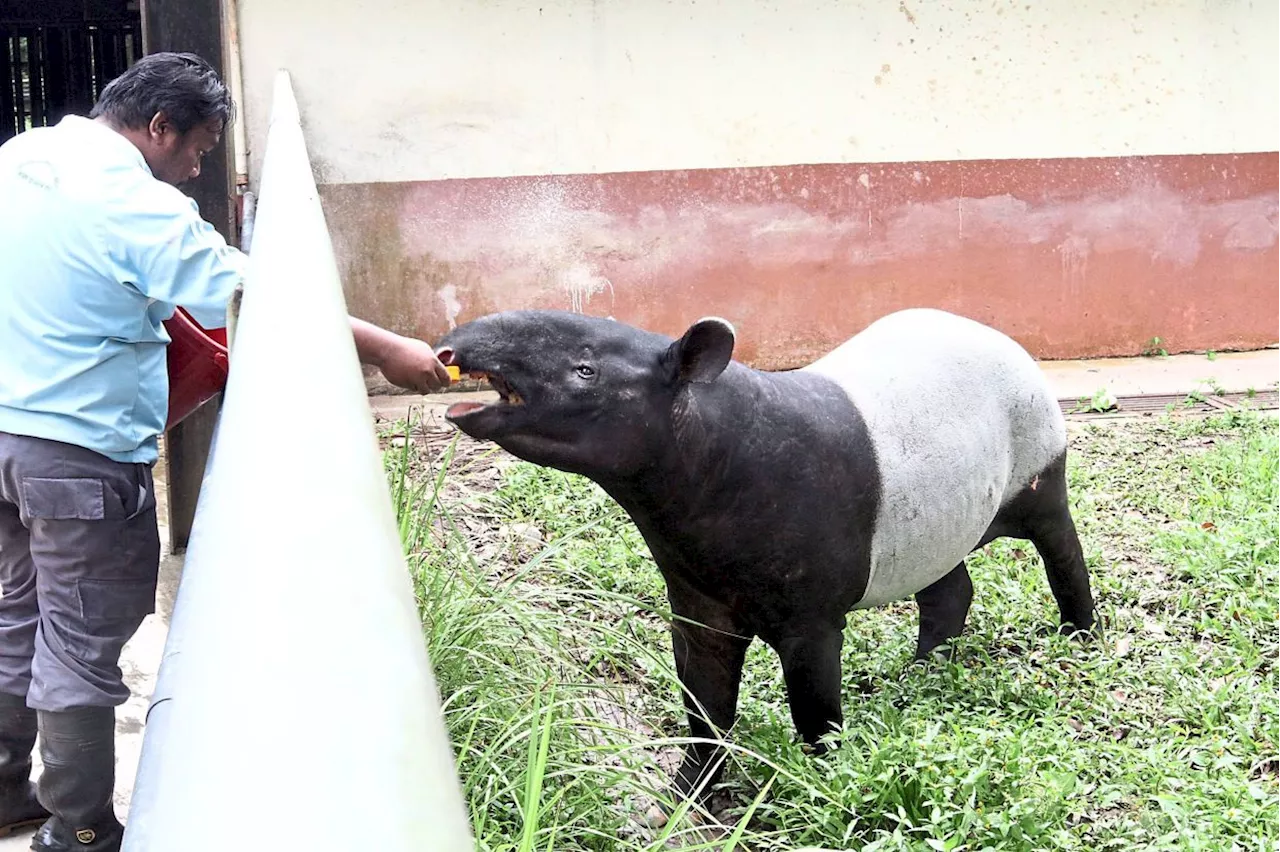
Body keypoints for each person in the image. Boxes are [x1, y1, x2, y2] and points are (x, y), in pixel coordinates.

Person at [0, 52, 451, 851]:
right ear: (159, 125)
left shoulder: (23, 156)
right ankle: (78, 830)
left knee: (13, 619)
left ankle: (5, 792)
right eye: (198, 149)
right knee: (78, 645)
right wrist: (387, 349)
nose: (196, 169)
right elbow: (259, 296)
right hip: (76, 454)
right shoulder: (136, 205)